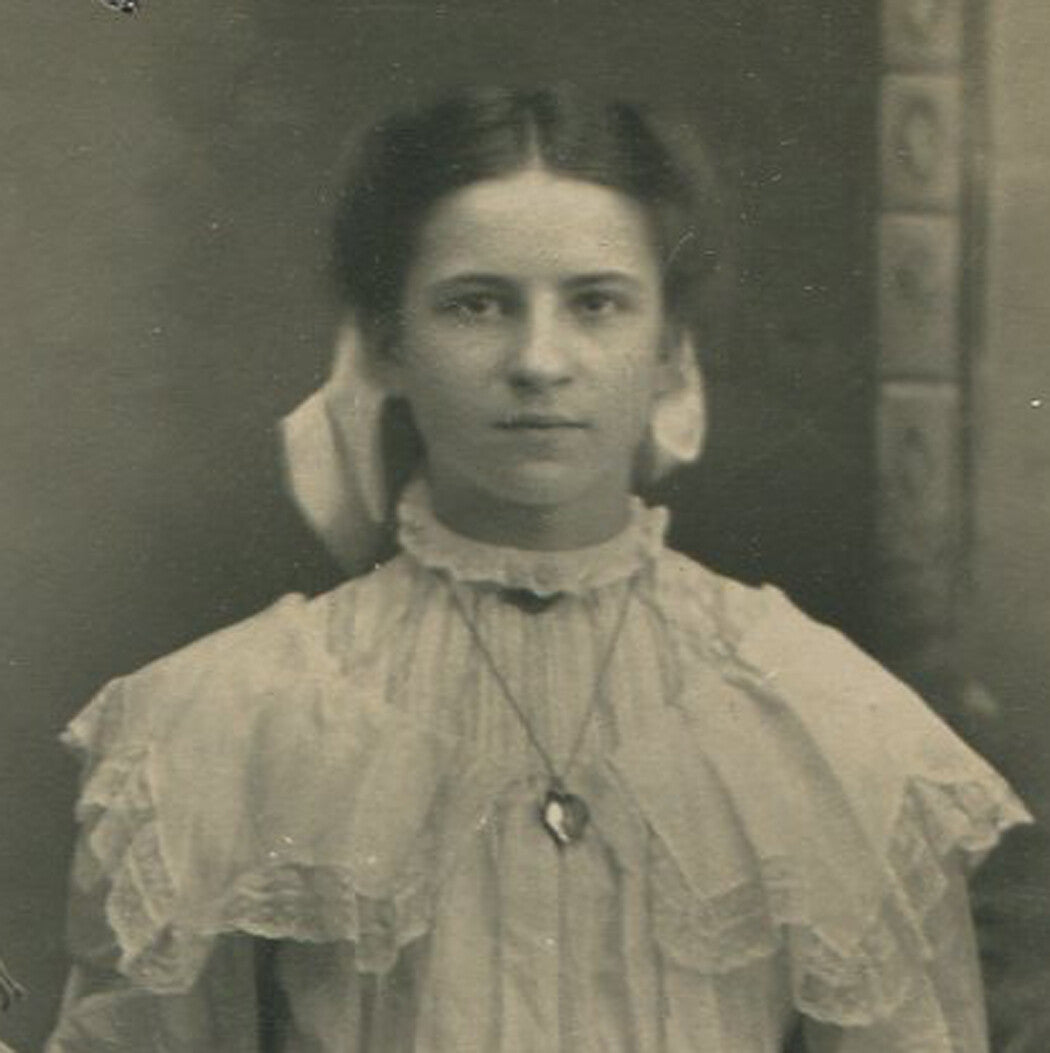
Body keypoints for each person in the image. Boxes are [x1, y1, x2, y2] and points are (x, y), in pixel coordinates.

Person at [46, 86, 1030, 1052]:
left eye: (597, 303)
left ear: (670, 349)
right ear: (387, 345)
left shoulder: (822, 719)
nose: (540, 360)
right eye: (477, 305)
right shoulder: (228, 719)